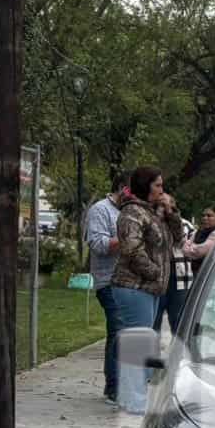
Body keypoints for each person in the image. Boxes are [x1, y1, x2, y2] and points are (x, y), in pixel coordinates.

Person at [111, 167, 184, 413]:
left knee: (142, 341)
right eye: (157, 186)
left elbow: (177, 238)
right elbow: (131, 249)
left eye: (162, 186)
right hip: (134, 285)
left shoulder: (154, 213)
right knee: (138, 343)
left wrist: (172, 211)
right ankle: (133, 400)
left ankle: (130, 397)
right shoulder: (132, 212)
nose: (161, 190)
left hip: (150, 288)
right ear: (145, 186)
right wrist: (154, 271)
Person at [84, 184, 125, 404]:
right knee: (118, 330)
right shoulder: (101, 210)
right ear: (124, 188)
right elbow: (99, 244)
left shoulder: (136, 209)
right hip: (110, 280)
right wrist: (128, 236)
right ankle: (114, 387)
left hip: (134, 282)